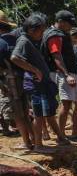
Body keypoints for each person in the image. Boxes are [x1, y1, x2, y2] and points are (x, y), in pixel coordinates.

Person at [11, 13, 68, 153]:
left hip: (42, 85)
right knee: (39, 115)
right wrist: (35, 70)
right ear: (31, 29)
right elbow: (15, 57)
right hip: (37, 85)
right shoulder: (24, 41)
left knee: (44, 114)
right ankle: (38, 145)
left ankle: (56, 138)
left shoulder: (30, 41)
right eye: (41, 30)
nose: (43, 34)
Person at [41, 10, 77, 139]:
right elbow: (56, 55)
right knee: (66, 103)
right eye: (69, 24)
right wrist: (67, 75)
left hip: (71, 72)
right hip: (63, 73)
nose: (71, 27)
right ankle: (61, 134)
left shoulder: (60, 34)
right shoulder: (54, 35)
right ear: (60, 22)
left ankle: (75, 131)